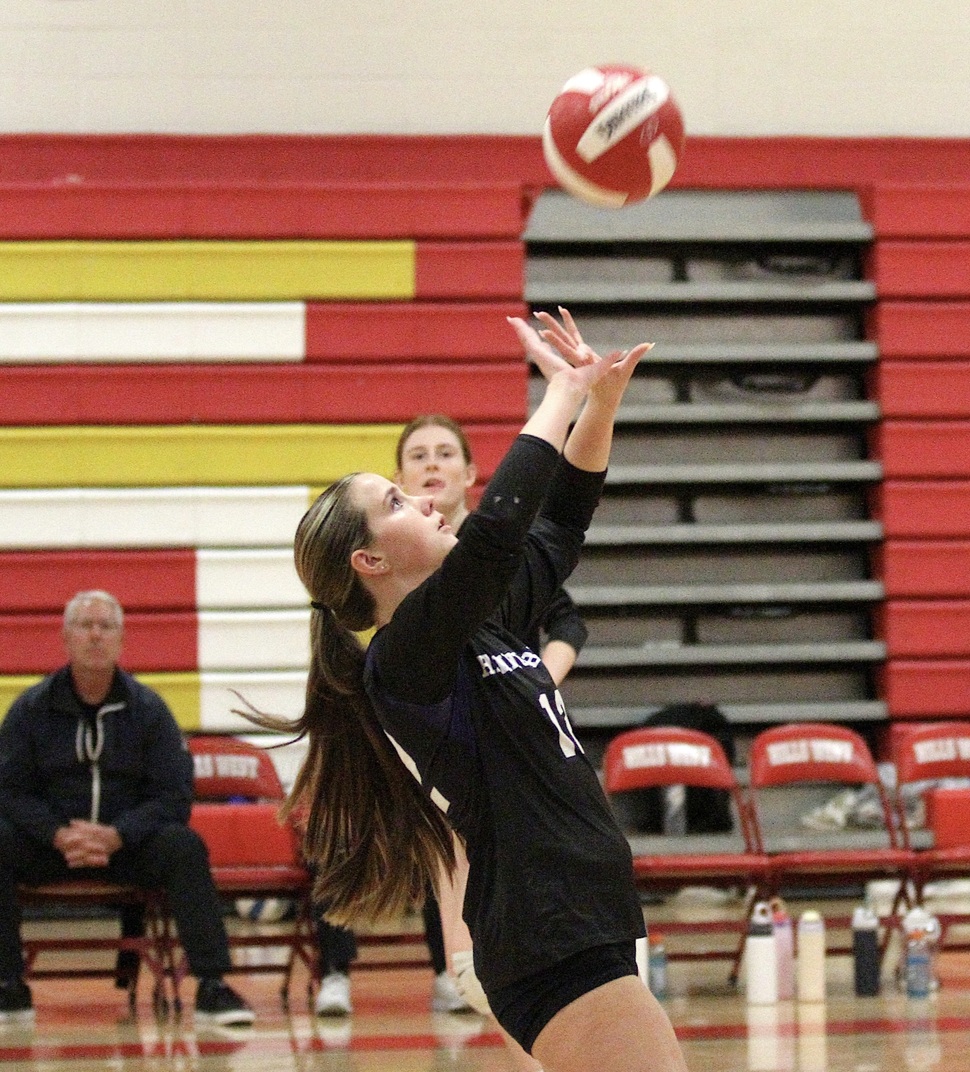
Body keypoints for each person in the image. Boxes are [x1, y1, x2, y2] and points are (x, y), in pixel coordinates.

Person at [245, 310, 687, 1071]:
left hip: (584, 917)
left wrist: (600, 403)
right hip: (547, 933)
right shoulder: (402, 659)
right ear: (369, 563)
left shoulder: (487, 623)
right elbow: (497, 533)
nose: (422, 501)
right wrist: (560, 392)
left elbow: (560, 522)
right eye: (395, 502)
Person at [0, 591, 255, 1026]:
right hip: (53, 847)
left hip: (126, 848)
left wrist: (117, 835)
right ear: (65, 637)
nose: (95, 635)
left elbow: (174, 795)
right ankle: (8, 985)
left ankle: (213, 986)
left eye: (106, 626)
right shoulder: (31, 709)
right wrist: (58, 833)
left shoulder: (149, 710)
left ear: (121, 640)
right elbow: (9, 790)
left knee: (184, 846)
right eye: (85, 625)